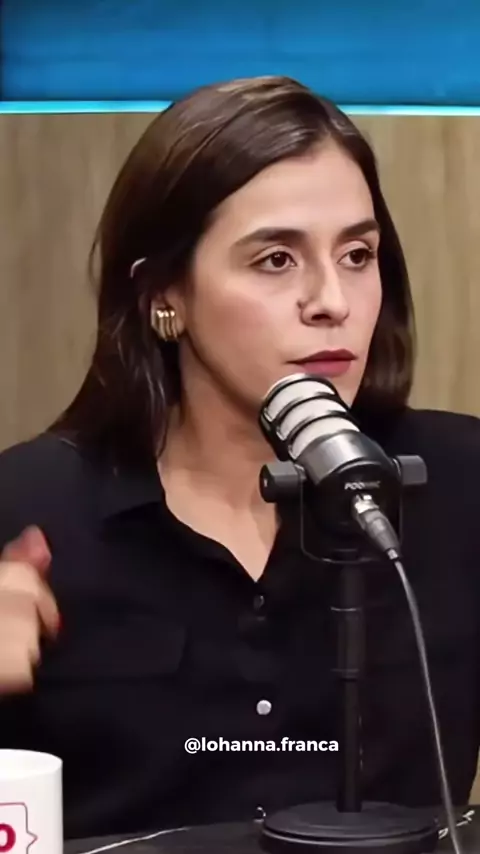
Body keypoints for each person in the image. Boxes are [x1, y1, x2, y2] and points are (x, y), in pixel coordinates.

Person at [0, 74, 479, 843]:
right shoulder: (29, 508)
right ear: (165, 296)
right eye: (276, 260)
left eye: (358, 254)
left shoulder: (460, 483)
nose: (332, 300)